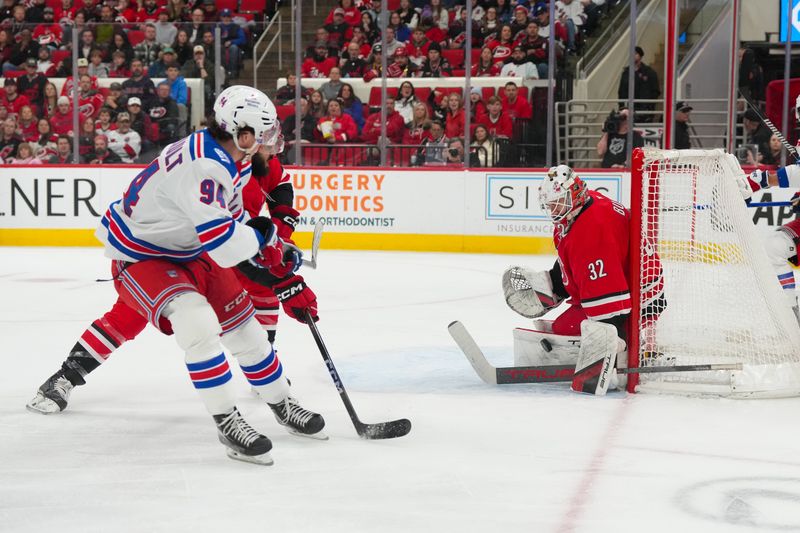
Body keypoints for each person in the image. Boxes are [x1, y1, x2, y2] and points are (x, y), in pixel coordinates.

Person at [27, 85, 325, 465]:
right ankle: (227, 421)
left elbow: (234, 227)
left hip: (188, 248)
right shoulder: (205, 167)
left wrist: (274, 259)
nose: (273, 144)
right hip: (141, 255)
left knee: (244, 327)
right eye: (266, 135)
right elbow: (229, 246)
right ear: (242, 133)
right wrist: (275, 267)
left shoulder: (238, 157)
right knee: (195, 320)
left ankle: (282, 404)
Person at [502, 165, 664, 395]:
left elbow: (612, 302)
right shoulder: (582, 208)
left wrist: (613, 351)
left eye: (556, 202)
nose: (551, 208)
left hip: (642, 299)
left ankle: (631, 347)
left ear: (573, 195)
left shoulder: (592, 231)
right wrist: (555, 285)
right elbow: (578, 260)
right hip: (632, 282)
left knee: (565, 329)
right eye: (549, 203)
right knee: (563, 326)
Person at [617, 46, 660, 123]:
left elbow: (655, 90)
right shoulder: (626, 73)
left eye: (635, 53)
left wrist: (649, 105)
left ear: (640, 56)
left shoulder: (649, 72)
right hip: (628, 110)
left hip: (644, 110)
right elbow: (621, 91)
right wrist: (622, 106)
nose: (633, 55)